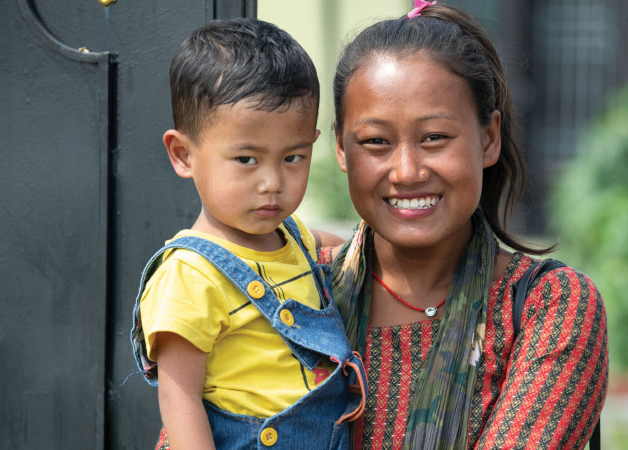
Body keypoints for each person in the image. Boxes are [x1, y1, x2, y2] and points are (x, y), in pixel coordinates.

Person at [327, 2, 608, 449]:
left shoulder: (546, 308)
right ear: (342, 149)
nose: (406, 170)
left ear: (489, 137)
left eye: (434, 137)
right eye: (376, 142)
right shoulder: (299, 292)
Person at [130, 18, 364, 450]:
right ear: (183, 155)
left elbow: (349, 250)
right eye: (246, 160)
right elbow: (179, 399)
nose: (272, 182)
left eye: (293, 156)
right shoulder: (189, 276)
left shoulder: (294, 237)